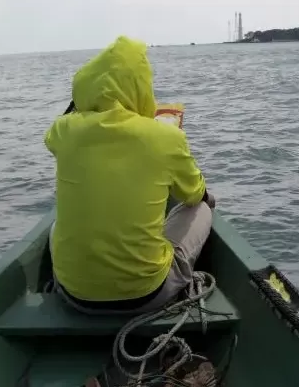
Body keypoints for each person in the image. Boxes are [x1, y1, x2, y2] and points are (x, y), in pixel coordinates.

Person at [44, 35, 215, 313]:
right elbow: (194, 194)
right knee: (204, 208)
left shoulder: (63, 131)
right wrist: (166, 133)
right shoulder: (166, 137)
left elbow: (61, 127)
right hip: (147, 294)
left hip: (74, 294)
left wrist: (84, 102)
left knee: (54, 226)